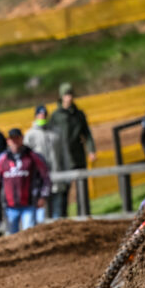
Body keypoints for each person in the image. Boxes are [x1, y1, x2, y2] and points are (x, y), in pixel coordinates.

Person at [0, 129, 51, 235]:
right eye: (12, 139)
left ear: (22, 139)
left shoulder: (33, 157)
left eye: (17, 138)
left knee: (29, 234)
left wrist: (43, 196)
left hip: (29, 203)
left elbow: (46, 177)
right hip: (9, 206)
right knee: (11, 236)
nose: (15, 142)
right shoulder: (1, 159)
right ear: (8, 141)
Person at [49, 82, 96, 218]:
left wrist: (91, 150)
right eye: (66, 94)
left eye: (70, 94)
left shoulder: (79, 114)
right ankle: (63, 218)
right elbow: (51, 136)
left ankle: (84, 216)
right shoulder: (56, 116)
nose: (69, 97)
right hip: (63, 159)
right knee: (63, 190)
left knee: (82, 190)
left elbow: (86, 133)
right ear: (61, 96)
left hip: (78, 156)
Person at [23, 104, 58, 223]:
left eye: (44, 114)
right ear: (36, 116)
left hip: (55, 175)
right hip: (38, 179)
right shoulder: (30, 135)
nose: (42, 116)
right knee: (40, 211)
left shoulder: (54, 133)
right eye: (40, 114)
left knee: (56, 209)